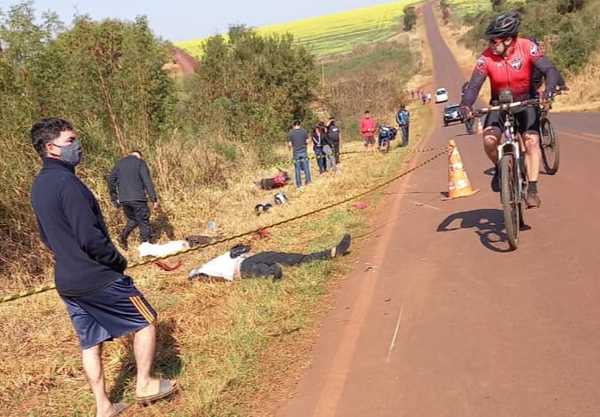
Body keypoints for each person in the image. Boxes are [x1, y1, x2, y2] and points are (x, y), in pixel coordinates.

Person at [30, 118, 177, 417]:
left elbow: (46, 237)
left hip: (67, 281)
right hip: (98, 276)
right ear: (51, 148)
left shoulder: (39, 186)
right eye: (71, 141)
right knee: (146, 320)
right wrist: (117, 261)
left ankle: (103, 406)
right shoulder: (68, 184)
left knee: (91, 341)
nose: (78, 146)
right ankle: (145, 384)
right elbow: (90, 237)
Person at [460, 11, 562, 208]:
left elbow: (549, 69)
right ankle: (500, 168)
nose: (490, 45)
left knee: (531, 142)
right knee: (489, 140)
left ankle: (532, 189)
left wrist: (548, 92)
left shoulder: (527, 47)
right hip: (499, 104)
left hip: (526, 102)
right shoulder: (486, 58)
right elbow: (474, 85)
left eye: (493, 41)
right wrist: (466, 105)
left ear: (508, 40)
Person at [188, 234, 352, 281]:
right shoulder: (201, 272)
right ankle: (272, 272)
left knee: (292, 258)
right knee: (258, 269)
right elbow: (197, 279)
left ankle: (331, 252)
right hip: (241, 268)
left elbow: (238, 250)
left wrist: (242, 247)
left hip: (248, 259)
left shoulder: (214, 261)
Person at [108, 150, 158, 250]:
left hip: (124, 200)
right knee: (144, 221)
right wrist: (154, 199)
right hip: (138, 198)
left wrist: (115, 197)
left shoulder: (119, 163)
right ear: (139, 156)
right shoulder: (140, 162)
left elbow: (110, 180)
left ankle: (122, 236)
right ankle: (147, 249)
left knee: (134, 220)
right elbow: (147, 181)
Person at [287, 120, 312, 188]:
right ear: (299, 125)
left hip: (296, 153)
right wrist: (304, 144)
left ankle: (299, 185)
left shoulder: (290, 132)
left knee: (297, 169)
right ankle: (309, 181)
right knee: (306, 167)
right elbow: (307, 141)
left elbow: (290, 144)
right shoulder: (304, 131)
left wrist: (289, 148)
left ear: (293, 125)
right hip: (304, 151)